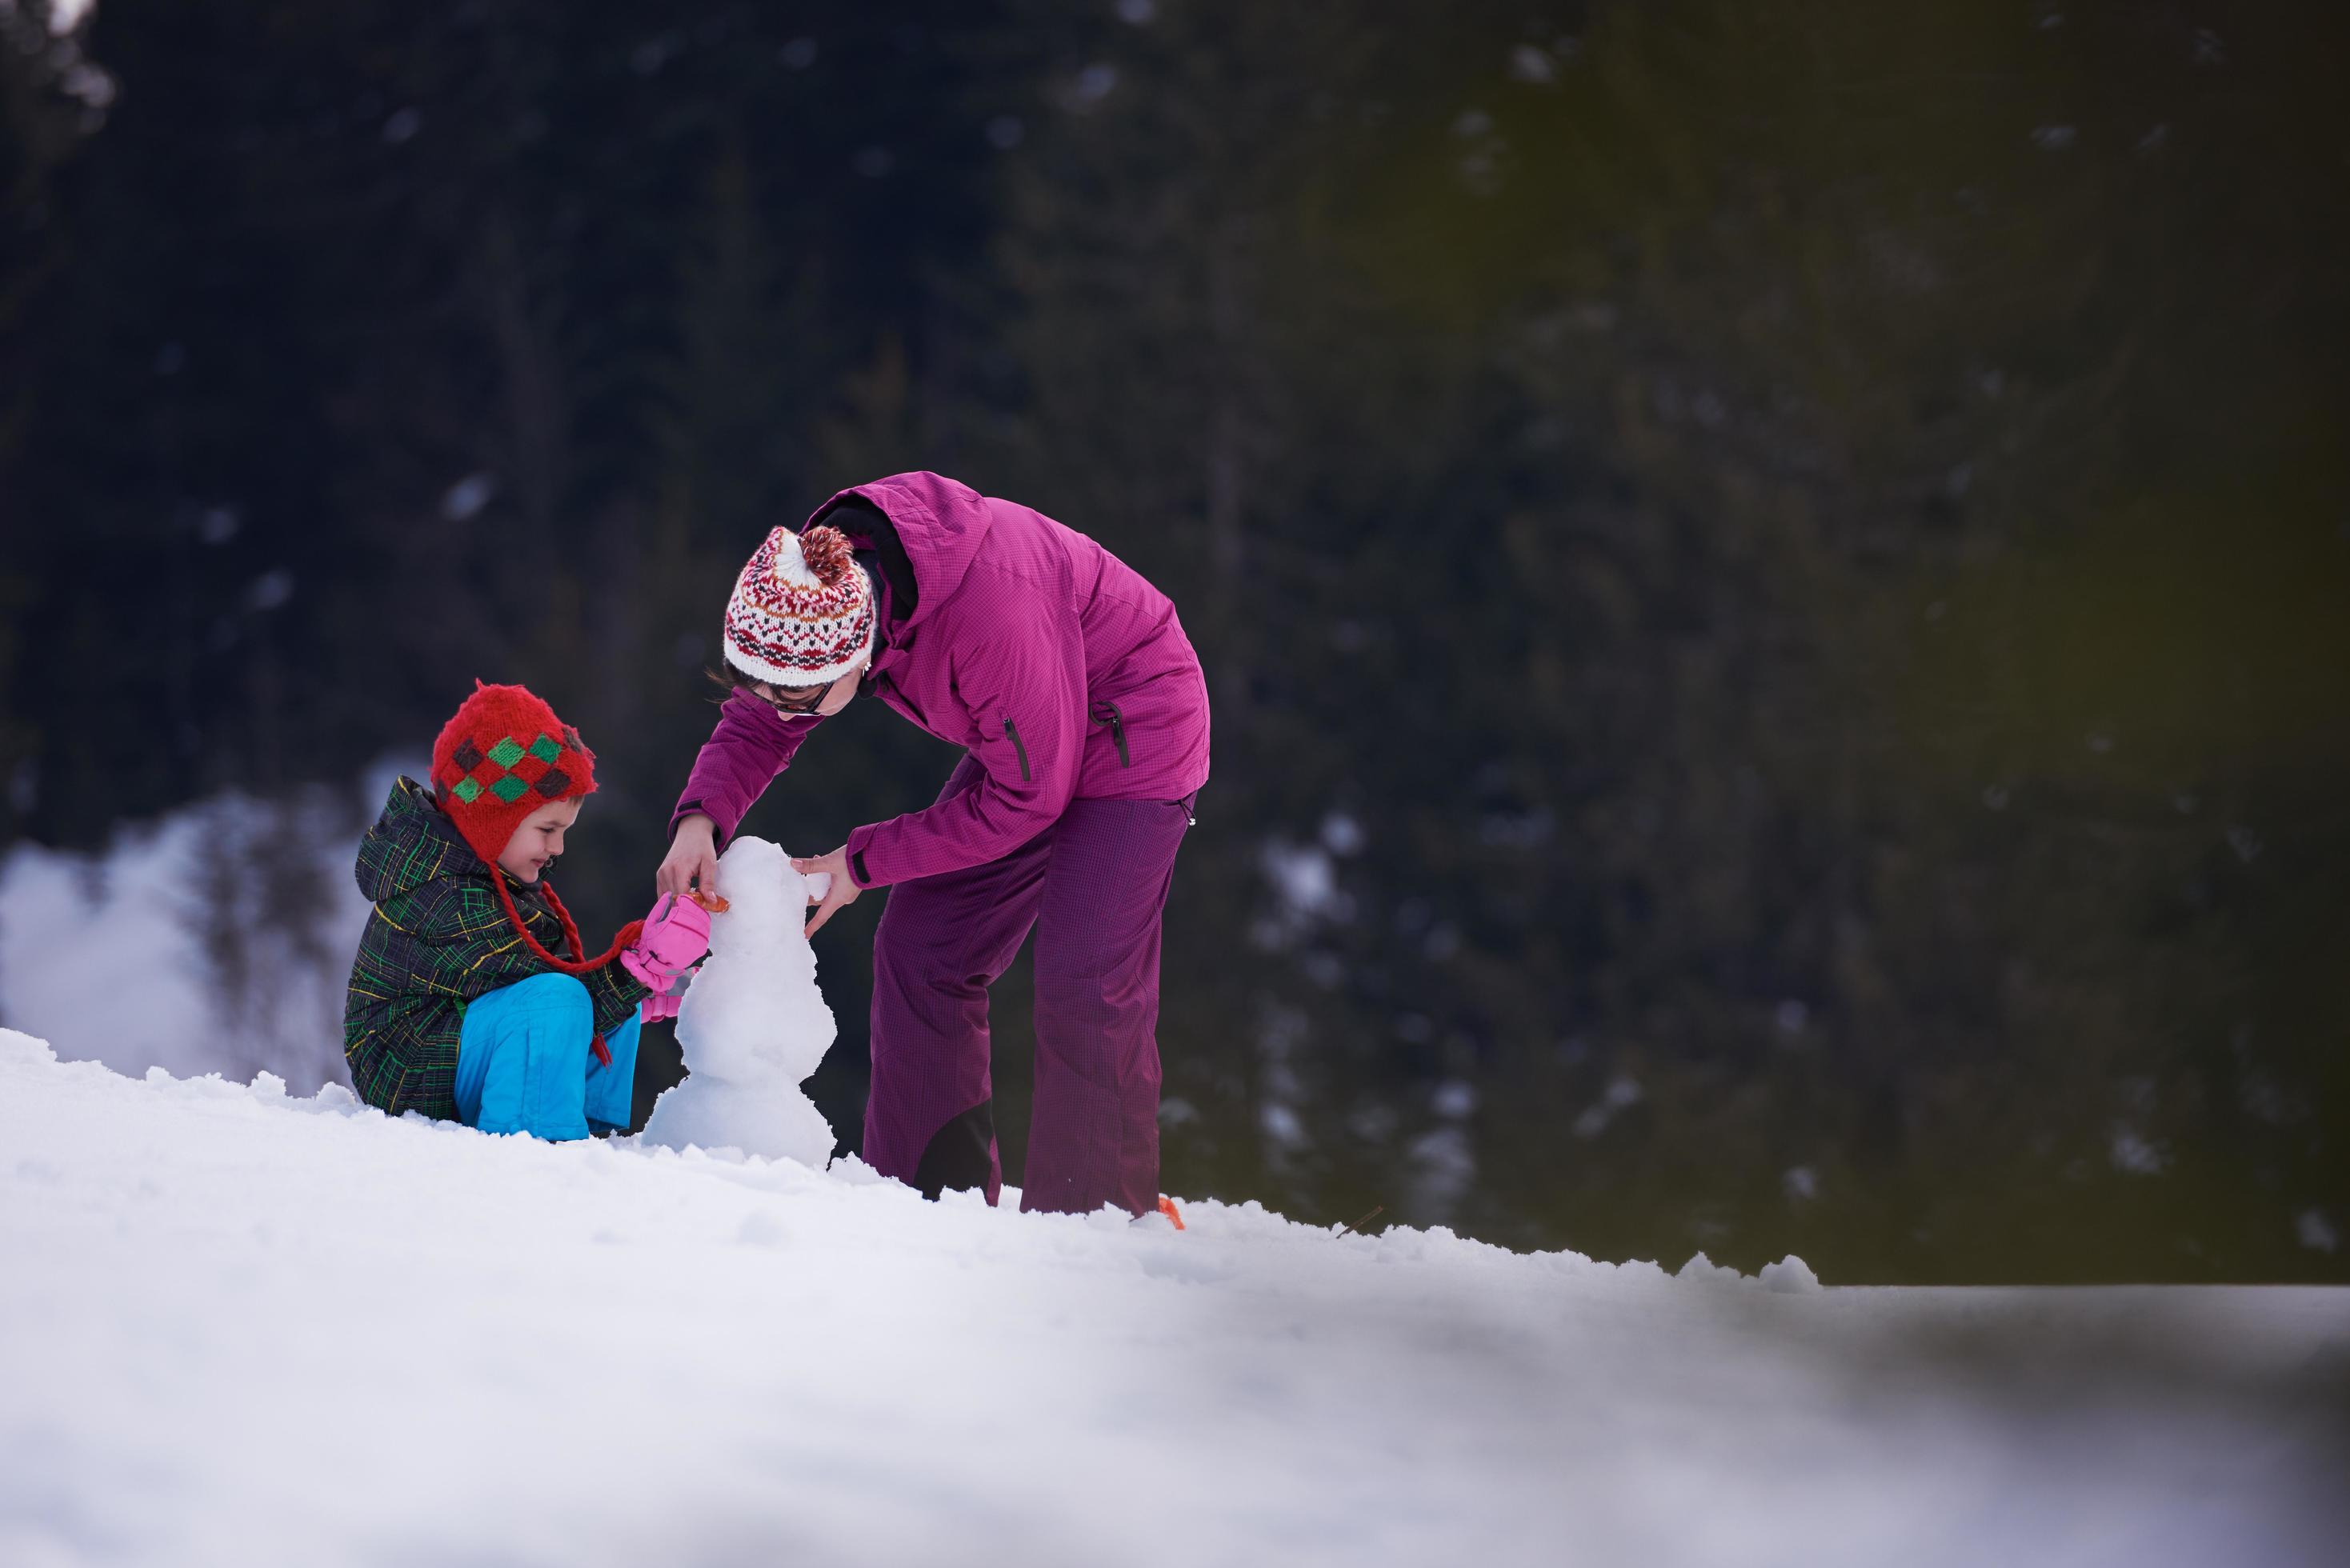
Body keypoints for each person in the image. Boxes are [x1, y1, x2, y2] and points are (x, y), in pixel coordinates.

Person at [659, 470, 1211, 1218]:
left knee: (1085, 980)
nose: (778, 711)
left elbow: (1026, 798)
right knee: (924, 948)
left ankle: (1097, 1224)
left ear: (854, 654)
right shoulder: (821, 585)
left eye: (797, 698)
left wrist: (862, 863)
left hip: (1133, 722)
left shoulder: (987, 624)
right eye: (757, 684)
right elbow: (764, 718)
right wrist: (701, 819)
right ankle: (926, 1203)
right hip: (1032, 731)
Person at [345, 682, 711, 1141]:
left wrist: (643, 989)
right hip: (407, 1067)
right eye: (547, 828)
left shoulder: (484, 872)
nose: (557, 848)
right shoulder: (443, 894)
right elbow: (550, 995)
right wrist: (641, 970)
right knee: (558, 1002)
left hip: (452, 1042)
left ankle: (588, 1132)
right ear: (493, 816)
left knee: (601, 1004)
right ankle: (537, 1145)